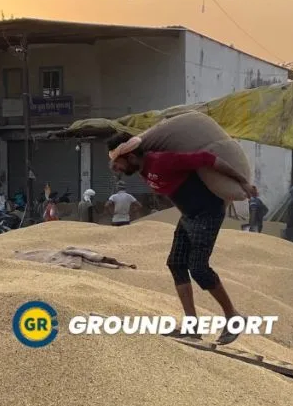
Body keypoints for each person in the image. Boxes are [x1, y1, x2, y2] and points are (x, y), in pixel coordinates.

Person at [108, 132, 257, 345]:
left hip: (207, 213)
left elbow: (208, 159)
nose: (117, 170)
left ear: (131, 157)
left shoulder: (162, 161)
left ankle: (234, 317)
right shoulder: (143, 169)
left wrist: (243, 182)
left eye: (118, 164)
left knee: (198, 268)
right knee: (176, 263)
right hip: (188, 215)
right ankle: (191, 326)